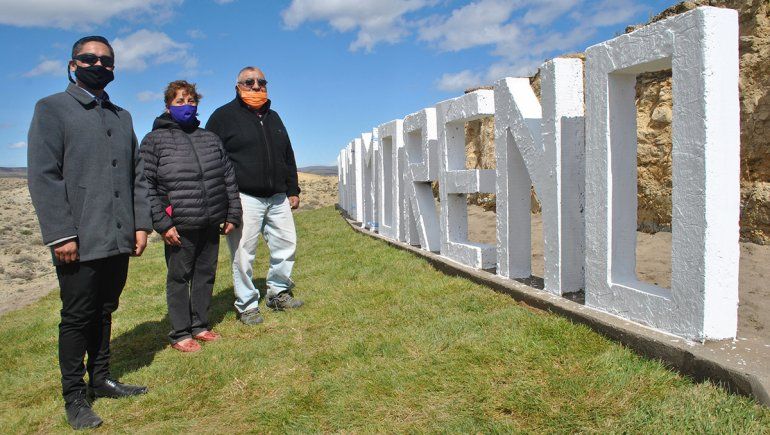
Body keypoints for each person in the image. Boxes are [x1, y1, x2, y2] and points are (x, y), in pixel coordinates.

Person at [27, 35, 153, 430]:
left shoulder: (122, 116)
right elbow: (44, 176)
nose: (98, 65)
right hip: (78, 237)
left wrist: (140, 224)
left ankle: (101, 378)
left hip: (117, 234)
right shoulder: (51, 108)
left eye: (106, 61)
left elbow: (136, 176)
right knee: (78, 315)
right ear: (73, 64)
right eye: (89, 58)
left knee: (105, 309)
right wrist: (61, 234)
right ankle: (75, 396)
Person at [140, 80, 242, 352]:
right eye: (179, 101)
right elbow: (146, 184)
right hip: (179, 224)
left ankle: (200, 325)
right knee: (179, 278)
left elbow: (228, 177)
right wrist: (163, 223)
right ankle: (180, 332)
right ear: (168, 106)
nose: (186, 106)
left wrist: (232, 212)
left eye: (191, 101)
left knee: (205, 274)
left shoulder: (209, 138)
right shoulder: (154, 140)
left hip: (210, 219)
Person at [206, 66, 302, 325]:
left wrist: (292, 189)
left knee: (286, 246)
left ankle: (278, 293)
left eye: (262, 82)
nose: (256, 86)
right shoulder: (222, 117)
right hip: (243, 196)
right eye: (249, 82)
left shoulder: (274, 117)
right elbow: (212, 159)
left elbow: (287, 154)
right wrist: (223, 199)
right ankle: (247, 305)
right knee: (243, 254)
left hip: (278, 197)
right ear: (238, 87)